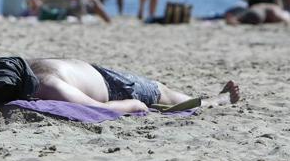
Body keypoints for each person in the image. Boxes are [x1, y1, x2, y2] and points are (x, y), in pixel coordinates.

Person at [28, 59, 239, 113]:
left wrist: (134, 105)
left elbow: (97, 108)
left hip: (109, 81)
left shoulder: (47, 85)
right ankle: (215, 100)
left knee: (161, 91)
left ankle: (213, 101)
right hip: (104, 82)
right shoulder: (6, 68)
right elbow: (97, 108)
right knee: (160, 90)